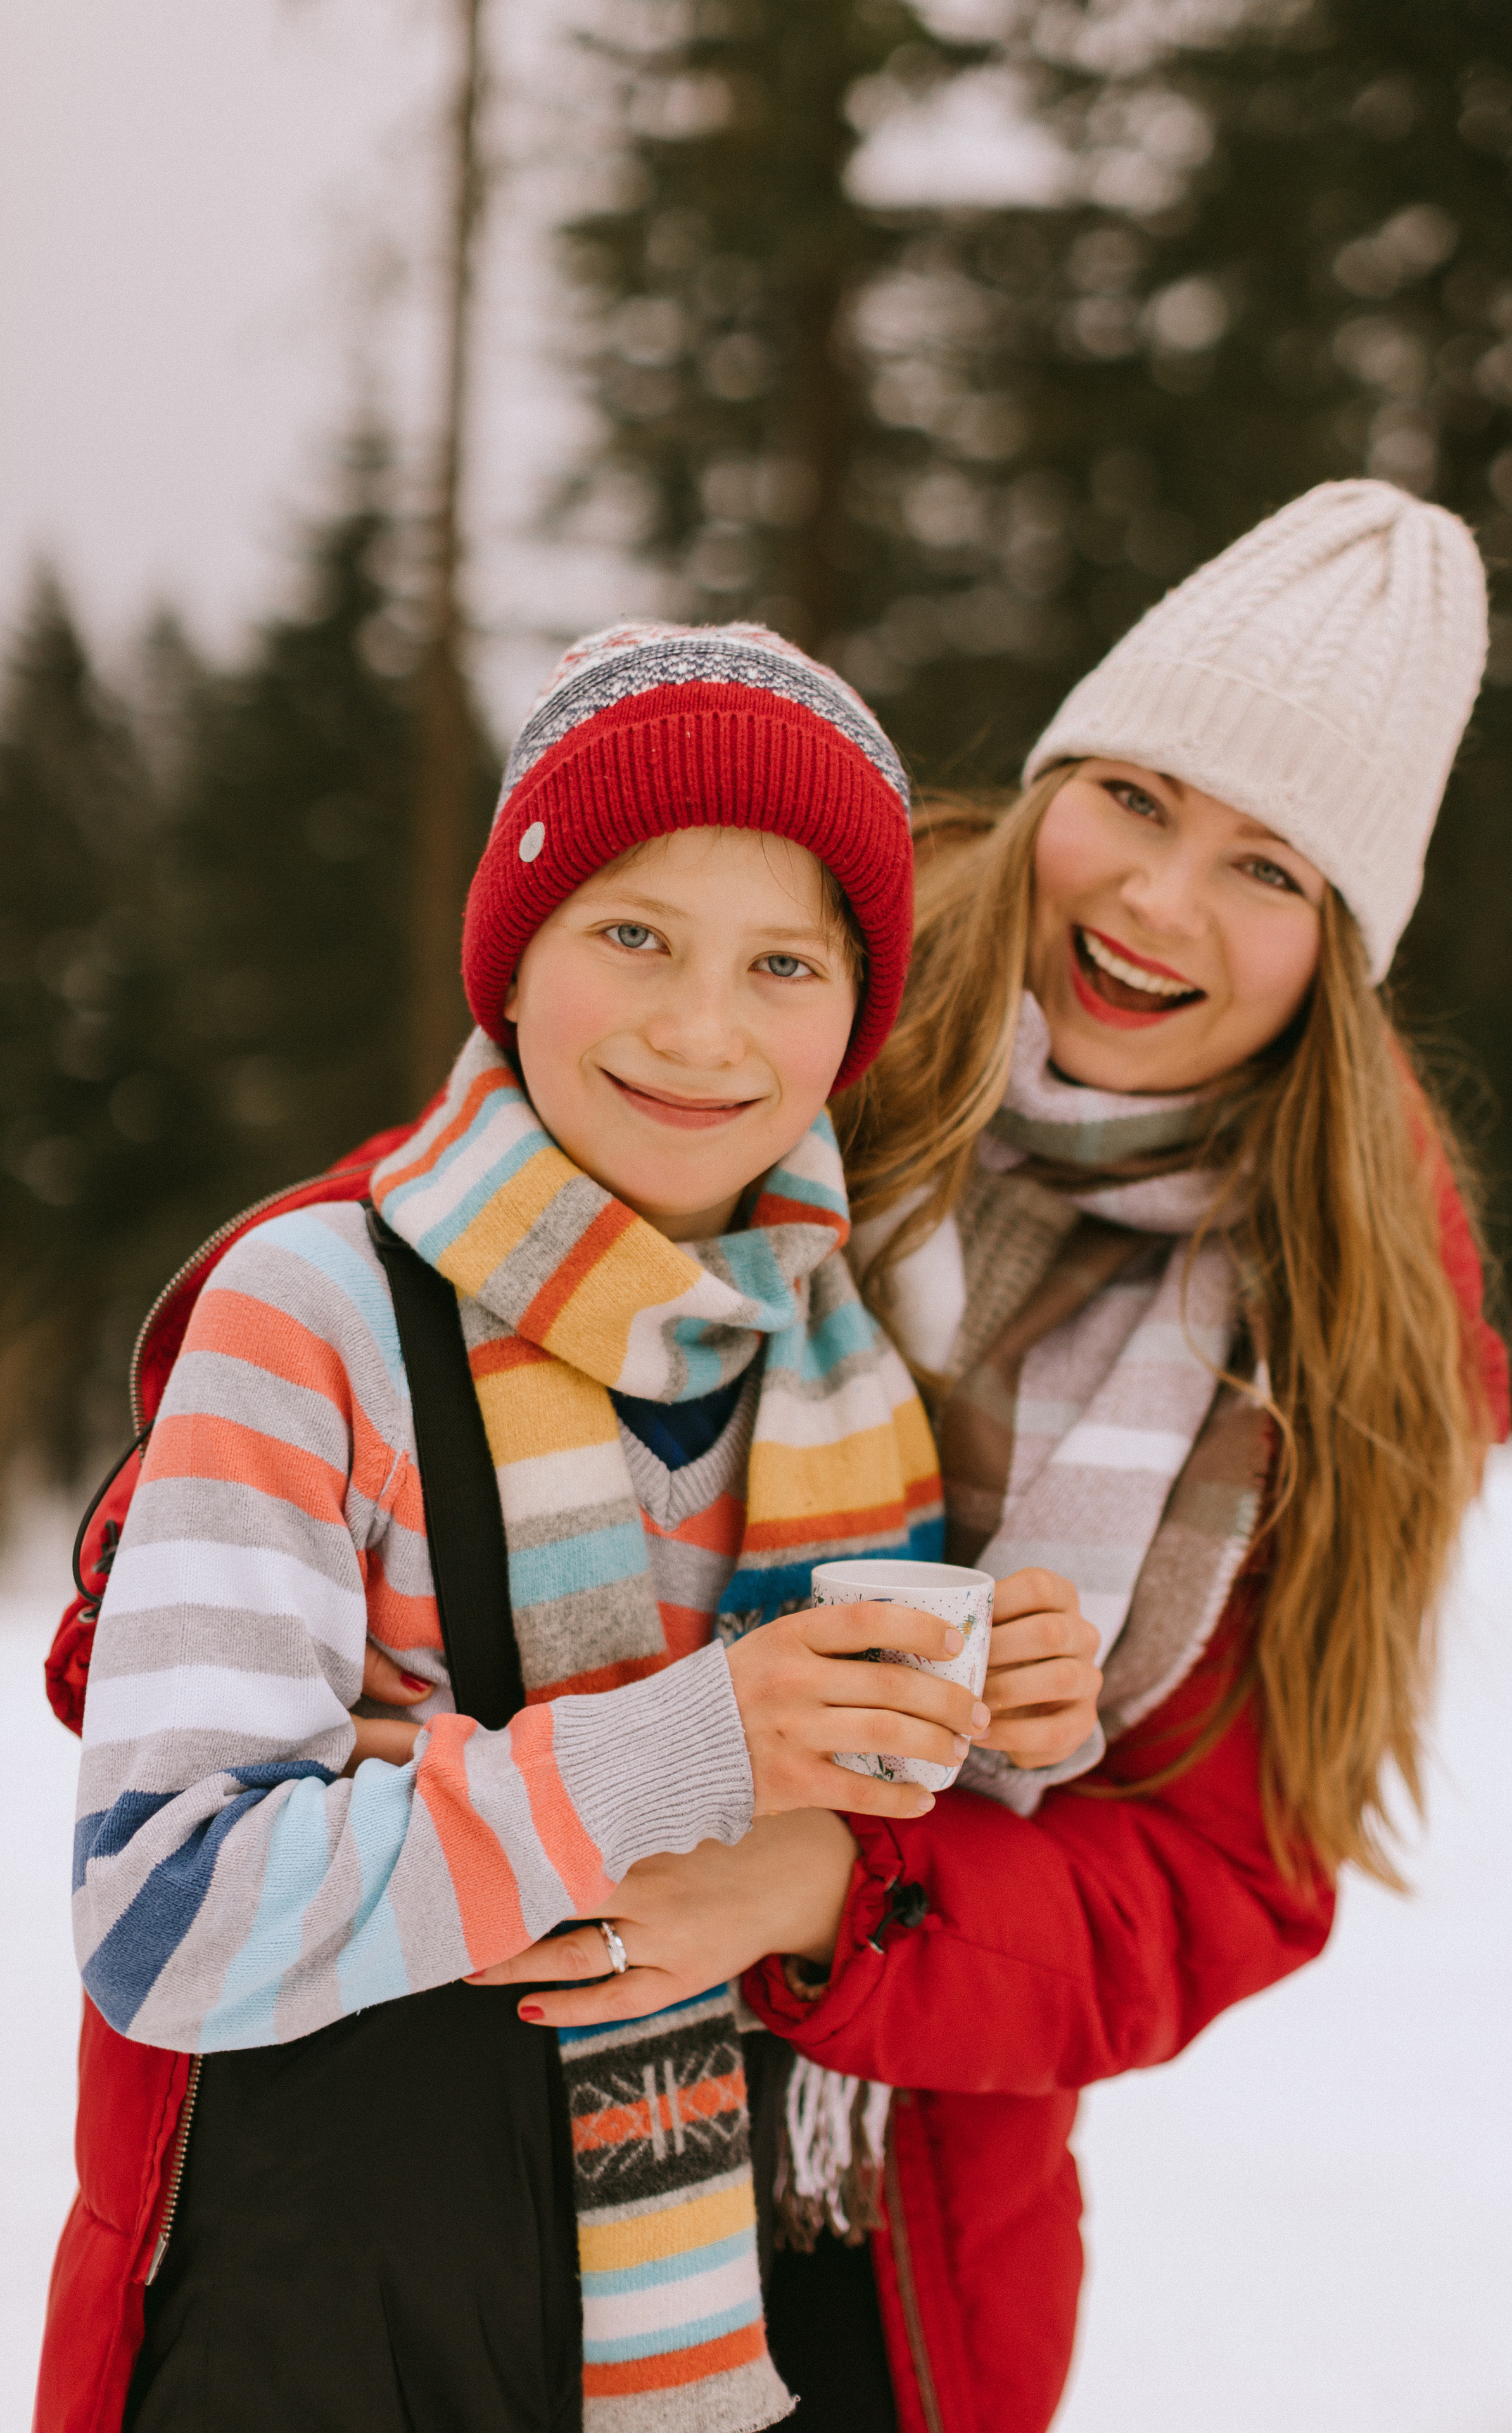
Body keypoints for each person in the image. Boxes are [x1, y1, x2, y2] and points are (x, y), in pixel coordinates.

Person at [473, 483, 1511, 2433]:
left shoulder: (1351, 1311)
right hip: (472, 1996)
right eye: (1134, 798)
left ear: (1344, 948)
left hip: (884, 2204)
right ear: (1054, 783)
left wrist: (824, 1894)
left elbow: (1228, 1880)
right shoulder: (789, 991)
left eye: (1269, 869)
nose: (1156, 903)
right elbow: (425, 1258)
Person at [54, 620, 1102, 2433]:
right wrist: (701, 1742)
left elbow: (876, 1883)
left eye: (785, 962)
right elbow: (164, 1917)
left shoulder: (849, 1359)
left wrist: (1007, 1717)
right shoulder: (312, 1315)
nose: (705, 1031)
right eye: (636, 936)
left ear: (855, 1013)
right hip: (350, 2336)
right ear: (512, 962)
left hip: (765, 2340)